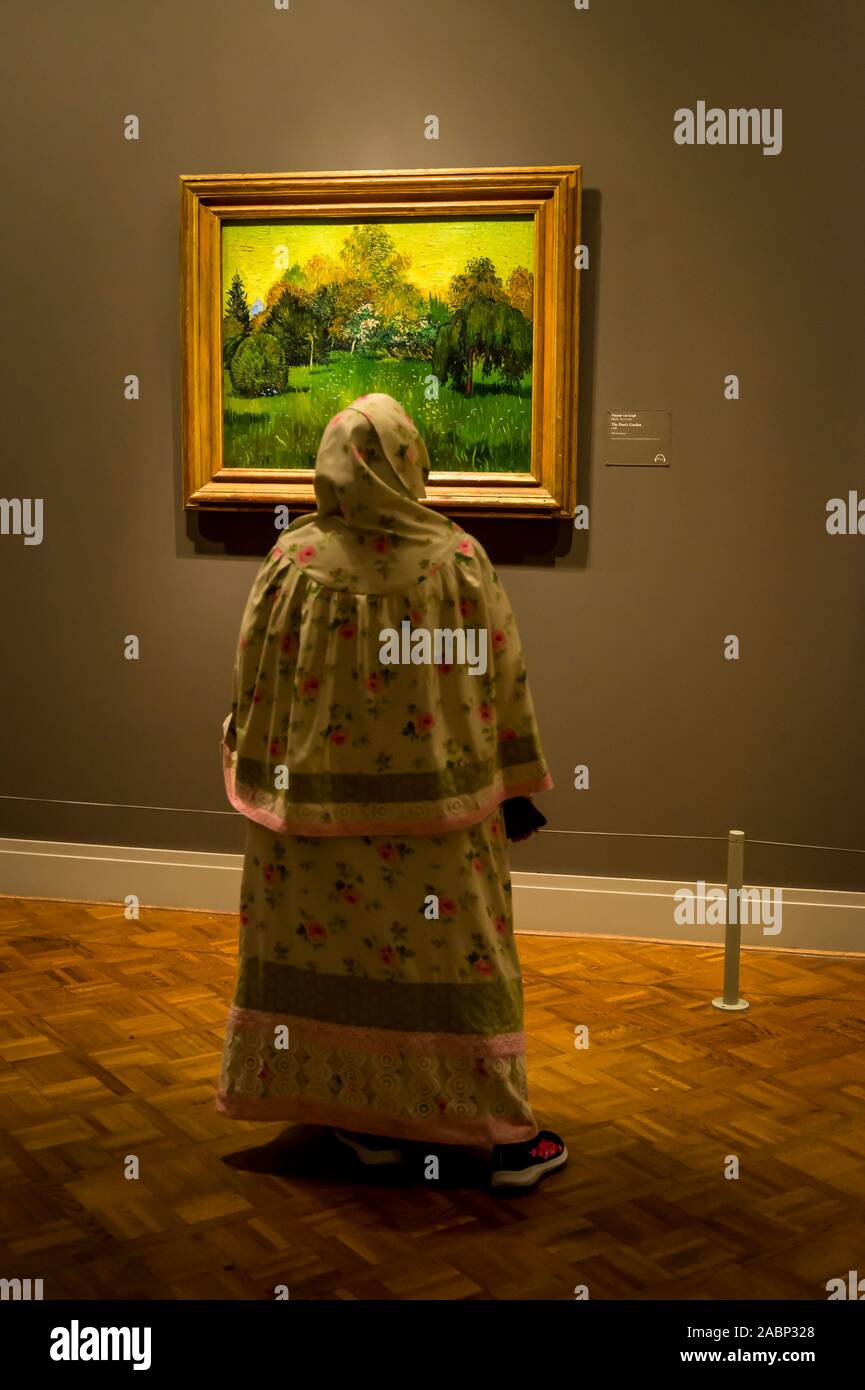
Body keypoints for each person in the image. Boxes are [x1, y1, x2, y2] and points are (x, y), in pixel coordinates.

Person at [217, 392, 565, 1190]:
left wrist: (254, 763)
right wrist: (516, 785)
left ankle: (362, 1118)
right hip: (440, 813)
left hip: (313, 811)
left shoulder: (292, 563)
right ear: (410, 460)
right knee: (451, 958)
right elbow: (501, 676)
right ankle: (497, 1138)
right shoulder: (457, 559)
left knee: (326, 949)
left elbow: (254, 677)